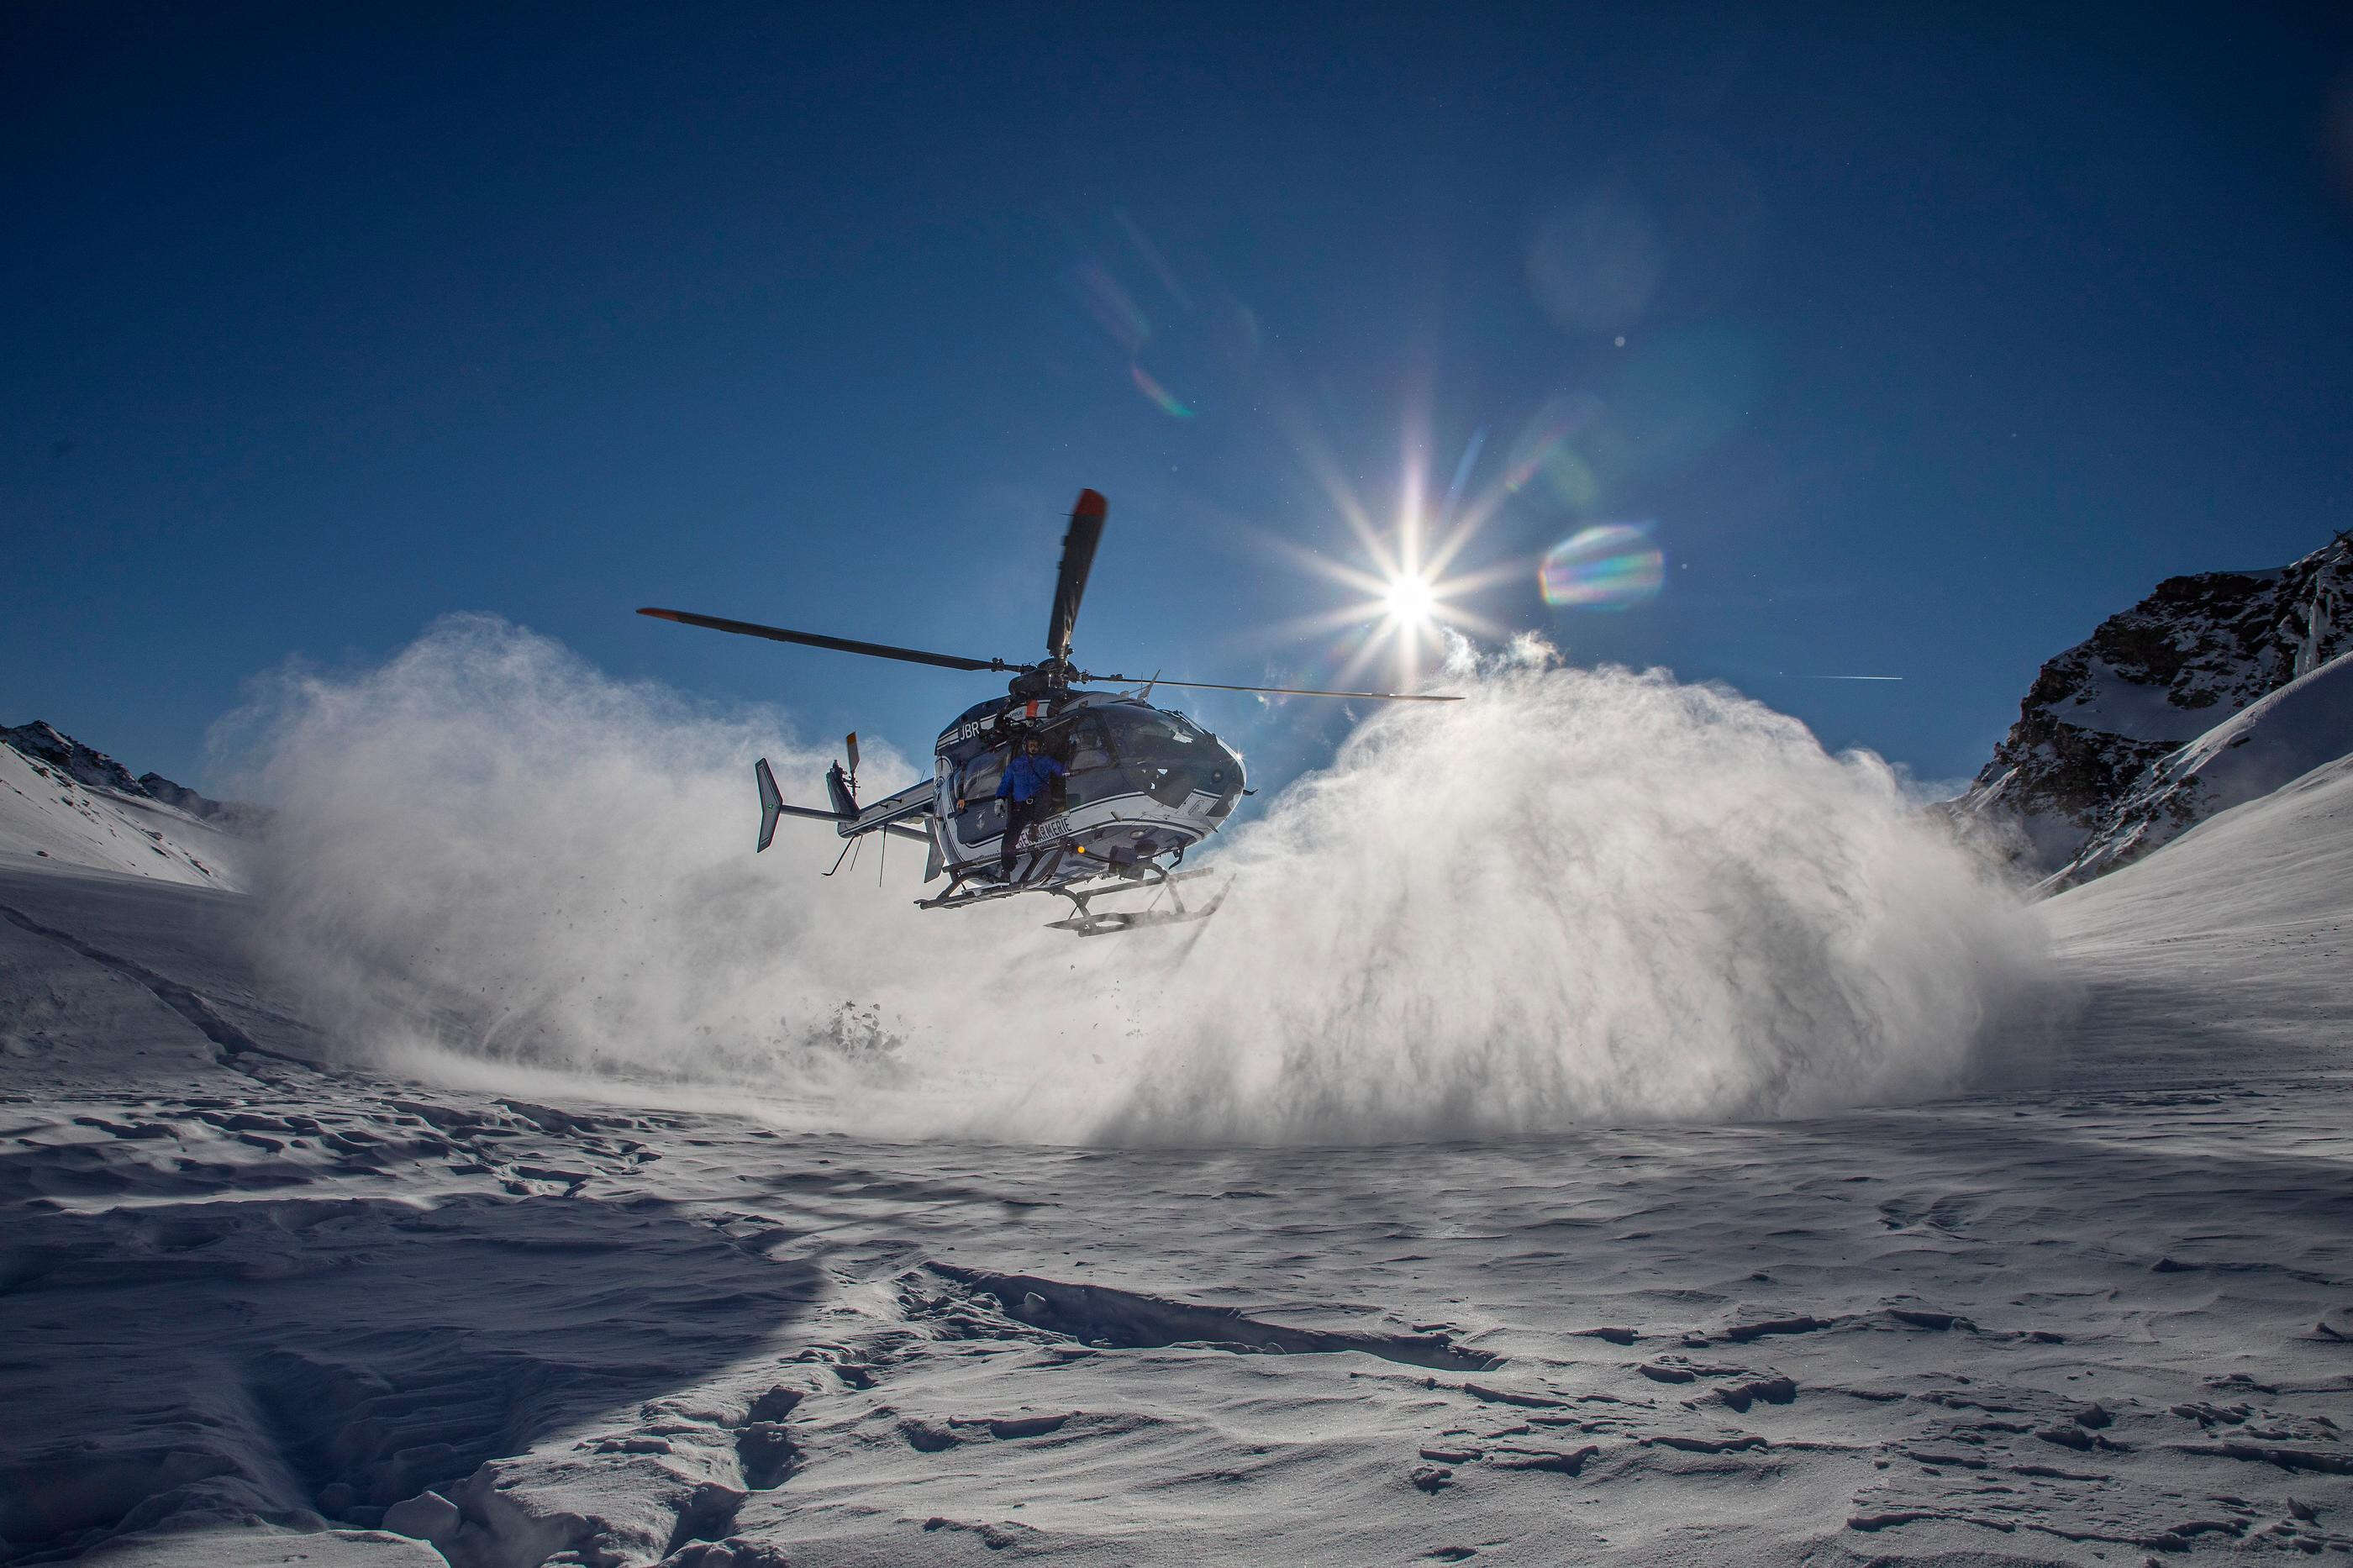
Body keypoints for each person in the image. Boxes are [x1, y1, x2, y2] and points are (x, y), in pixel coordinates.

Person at [993, 733, 1066, 877]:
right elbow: (1006, 783)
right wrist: (1000, 799)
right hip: (1023, 806)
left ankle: (1036, 824)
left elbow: (1061, 770)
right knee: (1010, 836)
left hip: (1040, 802)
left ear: (1040, 747)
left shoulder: (1046, 761)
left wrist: (1074, 767)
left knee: (1045, 797)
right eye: (1031, 745)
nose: (1033, 748)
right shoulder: (1016, 765)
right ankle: (1006, 870)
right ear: (1026, 747)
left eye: (1036, 746)